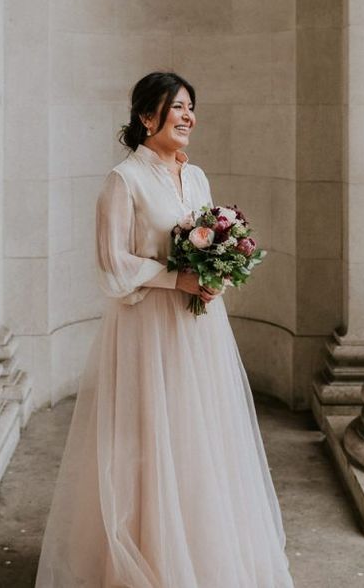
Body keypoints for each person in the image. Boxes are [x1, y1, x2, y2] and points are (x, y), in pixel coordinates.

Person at [34, 72, 294, 587]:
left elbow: (209, 242)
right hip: (146, 330)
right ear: (147, 116)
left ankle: (203, 555)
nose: (188, 116)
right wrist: (179, 278)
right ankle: (146, 553)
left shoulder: (196, 177)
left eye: (191, 106)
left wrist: (216, 276)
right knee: (147, 436)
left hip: (198, 330)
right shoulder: (123, 180)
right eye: (178, 106)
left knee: (201, 435)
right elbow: (112, 266)